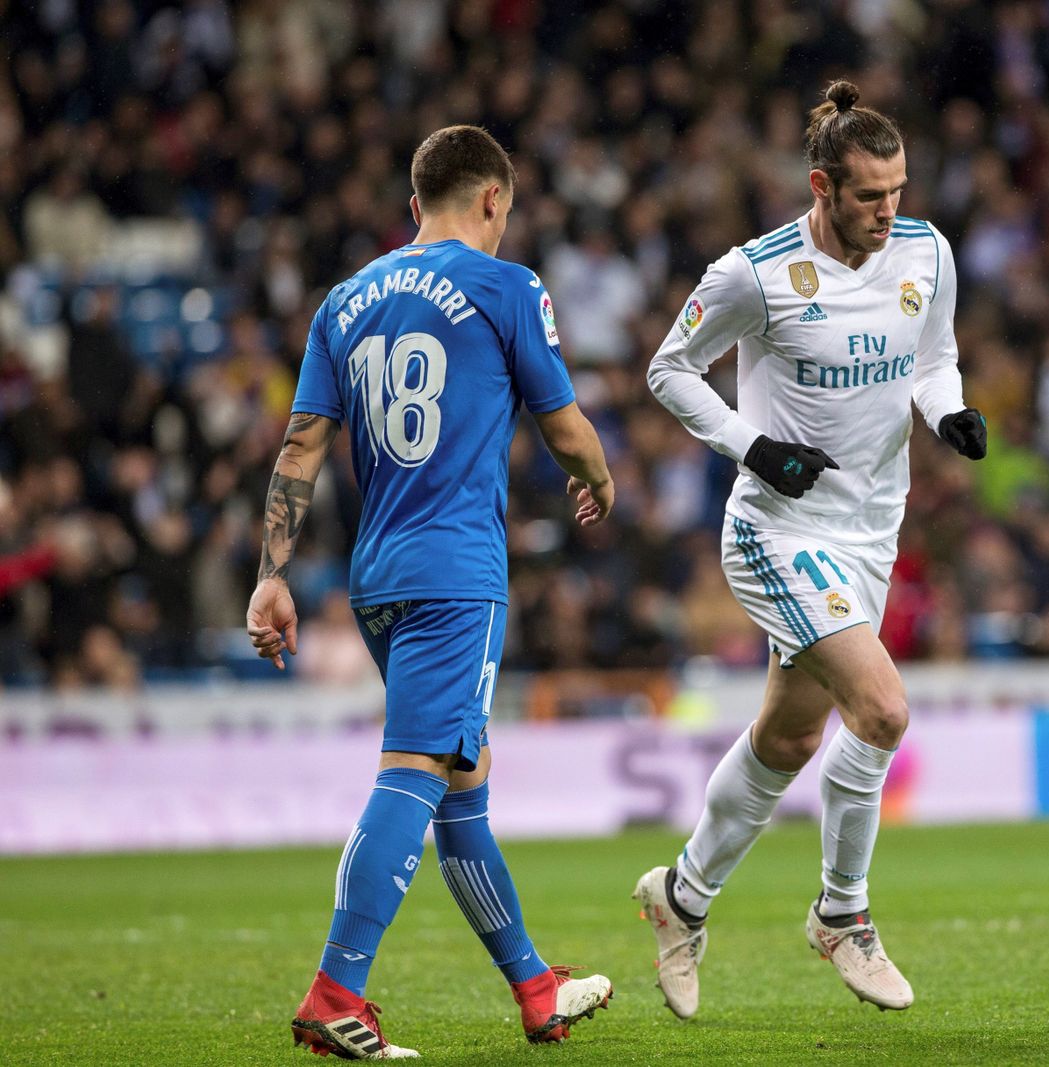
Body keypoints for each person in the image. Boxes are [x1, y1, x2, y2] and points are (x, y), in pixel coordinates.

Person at [246, 126, 615, 1057]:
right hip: (458, 575)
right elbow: (563, 425)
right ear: (495, 199)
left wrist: (271, 573)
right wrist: (601, 479)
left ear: (415, 205)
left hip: (377, 579)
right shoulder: (508, 287)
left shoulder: (344, 299)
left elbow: (301, 449)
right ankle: (336, 990)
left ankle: (535, 987)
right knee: (416, 772)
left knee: (462, 784)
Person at [637, 81, 987, 1016]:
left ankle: (680, 897)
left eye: (900, 190)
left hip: (872, 529)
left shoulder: (925, 250)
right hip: (777, 531)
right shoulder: (753, 274)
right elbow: (668, 370)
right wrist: (755, 446)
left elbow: (933, 355)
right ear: (821, 185)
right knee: (880, 709)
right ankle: (843, 914)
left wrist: (947, 412)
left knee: (789, 736)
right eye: (871, 195)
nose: (890, 210)